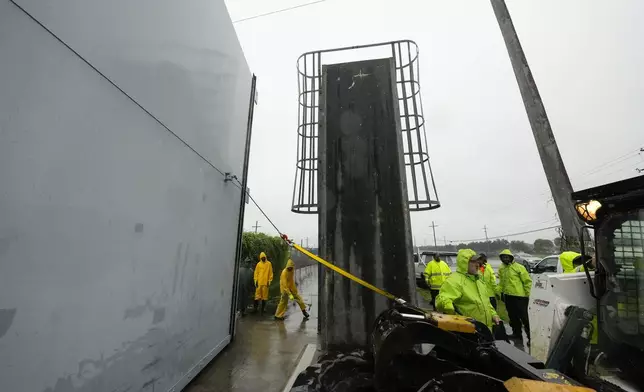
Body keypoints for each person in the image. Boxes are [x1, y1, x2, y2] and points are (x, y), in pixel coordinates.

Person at [435, 249, 500, 330]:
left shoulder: (479, 281)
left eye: (478, 262)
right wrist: (447, 306)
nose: (477, 265)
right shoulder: (454, 281)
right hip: (466, 332)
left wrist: (493, 314)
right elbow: (441, 300)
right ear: (464, 263)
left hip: (485, 331)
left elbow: (486, 303)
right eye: (473, 262)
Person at [498, 249, 532, 344]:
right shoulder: (501, 268)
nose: (505, 259)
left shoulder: (519, 267)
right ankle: (517, 334)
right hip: (508, 296)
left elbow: (527, 281)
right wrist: (498, 292)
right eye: (503, 257)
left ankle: (531, 337)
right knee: (512, 317)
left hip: (520, 297)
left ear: (511, 257)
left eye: (507, 257)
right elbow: (501, 282)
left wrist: (528, 294)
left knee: (525, 318)